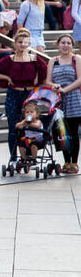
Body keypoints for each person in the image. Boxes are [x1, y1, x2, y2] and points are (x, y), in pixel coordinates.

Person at [0, 28, 49, 165]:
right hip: (13, 94)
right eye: (20, 42)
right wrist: (6, 77)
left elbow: (46, 76)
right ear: (15, 43)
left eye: (25, 42)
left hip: (29, 96)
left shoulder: (35, 59)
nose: (23, 45)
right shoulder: (9, 59)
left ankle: (29, 156)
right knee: (13, 126)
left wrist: (37, 87)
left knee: (30, 124)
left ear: (29, 43)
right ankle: (14, 158)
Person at [46, 35, 81, 174]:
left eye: (68, 43)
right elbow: (47, 80)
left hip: (74, 98)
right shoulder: (52, 61)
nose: (65, 45)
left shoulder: (76, 59)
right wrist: (54, 85)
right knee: (62, 132)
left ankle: (74, 163)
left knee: (73, 132)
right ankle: (66, 162)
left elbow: (80, 79)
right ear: (58, 45)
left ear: (72, 45)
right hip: (59, 100)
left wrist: (66, 89)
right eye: (63, 43)